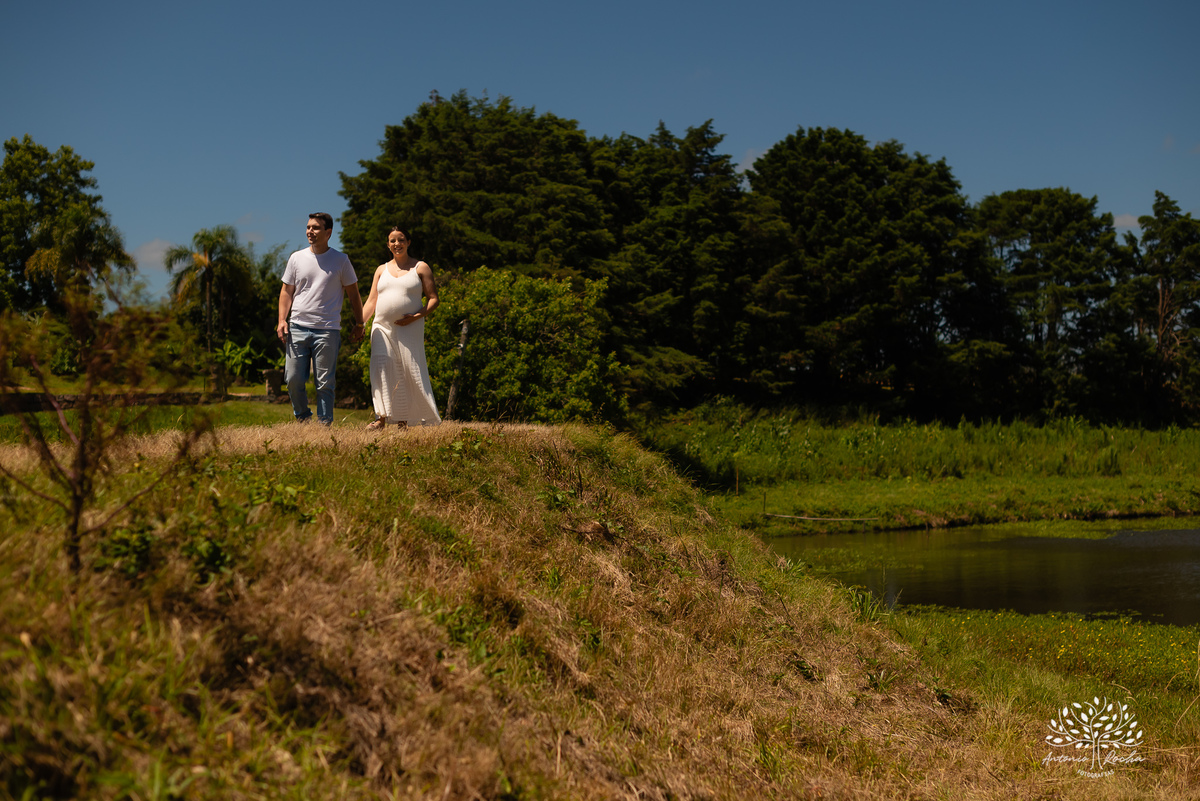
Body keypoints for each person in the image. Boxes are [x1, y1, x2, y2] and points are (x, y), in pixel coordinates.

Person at [276, 212, 364, 426]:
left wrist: (359, 323)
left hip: (328, 330)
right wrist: (282, 320)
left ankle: (324, 426)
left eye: (315, 228)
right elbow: (287, 291)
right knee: (293, 379)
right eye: (308, 227)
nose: (310, 231)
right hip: (297, 327)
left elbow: (354, 294)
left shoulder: (341, 260)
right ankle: (303, 418)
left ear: (328, 233)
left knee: (325, 383)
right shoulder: (296, 258)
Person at [361, 226, 441, 429]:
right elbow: (371, 301)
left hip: (410, 327)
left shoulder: (420, 267)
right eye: (393, 241)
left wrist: (416, 316)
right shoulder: (381, 270)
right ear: (388, 245)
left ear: (408, 242)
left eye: (401, 239)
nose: (397, 244)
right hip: (382, 327)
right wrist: (358, 323)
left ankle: (404, 421)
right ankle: (381, 418)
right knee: (381, 366)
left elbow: (433, 299)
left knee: (406, 370)